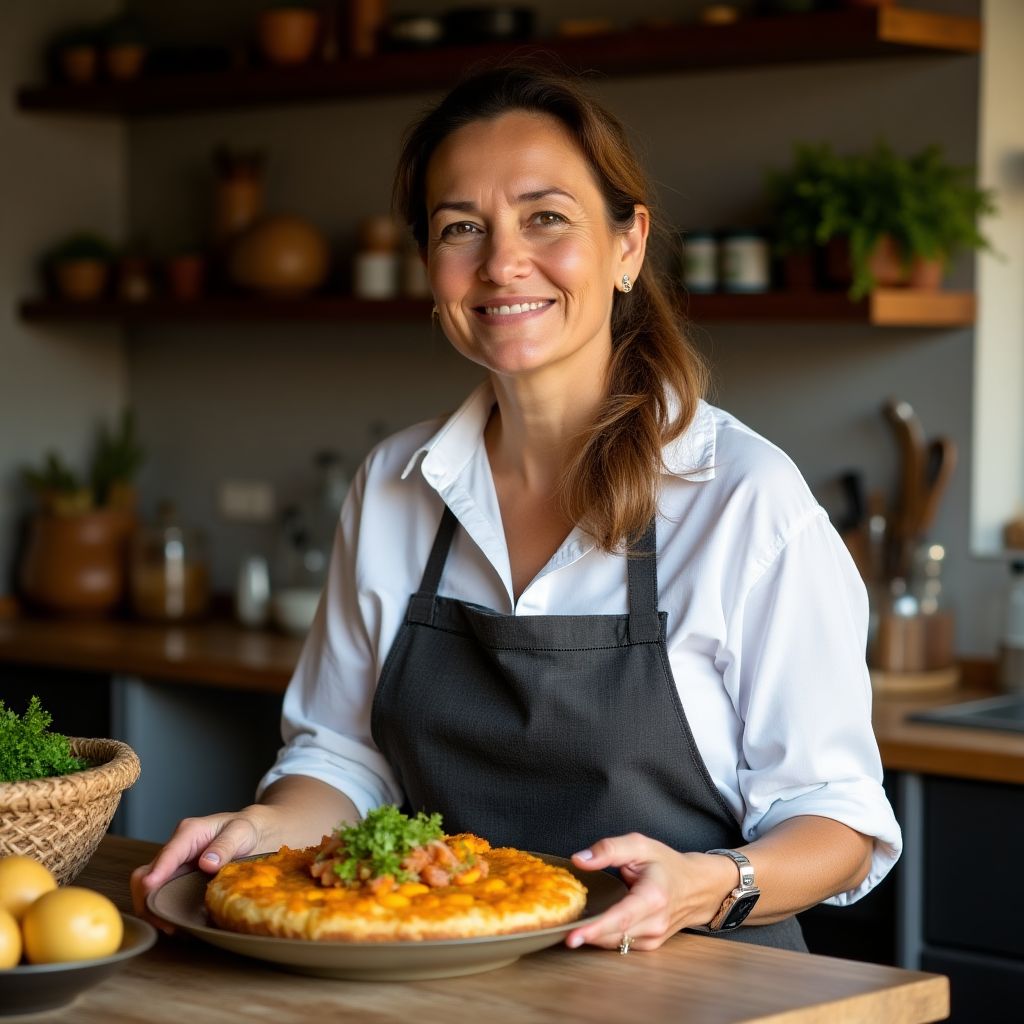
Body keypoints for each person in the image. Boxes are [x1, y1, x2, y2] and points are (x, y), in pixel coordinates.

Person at [132, 63, 900, 953]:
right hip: (444, 981)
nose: (501, 263)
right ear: (430, 267)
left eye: (546, 218)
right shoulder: (393, 485)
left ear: (627, 245)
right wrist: (265, 829)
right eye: (463, 228)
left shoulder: (742, 498)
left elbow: (838, 824)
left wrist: (706, 884)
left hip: (701, 982)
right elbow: (343, 757)